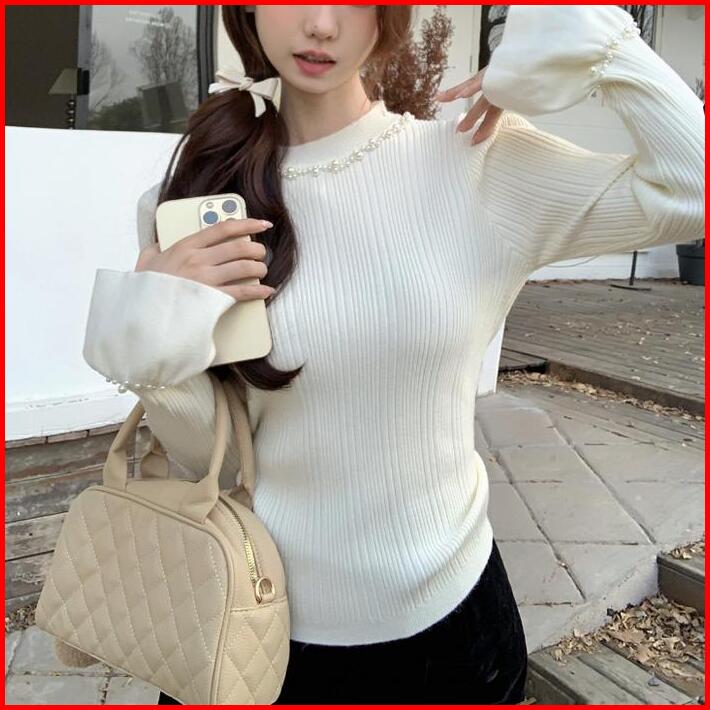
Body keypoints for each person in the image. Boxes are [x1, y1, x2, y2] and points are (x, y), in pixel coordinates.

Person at [77, 4, 704, 705]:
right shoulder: (198, 196)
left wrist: (592, 39)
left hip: (452, 631)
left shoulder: (473, 162)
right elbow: (209, 459)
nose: (321, 25)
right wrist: (151, 335)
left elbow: (692, 189)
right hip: (253, 628)